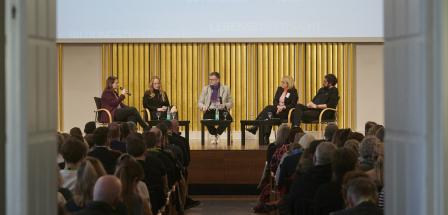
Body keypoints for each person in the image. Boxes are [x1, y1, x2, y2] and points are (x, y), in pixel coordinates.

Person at [246, 76, 298, 144]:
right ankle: (265, 137)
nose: (281, 83)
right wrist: (278, 107)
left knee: (268, 108)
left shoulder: (293, 92)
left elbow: (293, 105)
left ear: (288, 83)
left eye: (283, 82)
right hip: (276, 110)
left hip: (286, 112)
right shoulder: (280, 89)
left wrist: (283, 107)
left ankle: (256, 127)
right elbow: (275, 100)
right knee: (268, 114)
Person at [198, 72, 233, 142]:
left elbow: (231, 103)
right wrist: (203, 106)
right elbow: (200, 102)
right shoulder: (205, 88)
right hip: (210, 110)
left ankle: (217, 134)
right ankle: (215, 134)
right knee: (205, 120)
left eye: (213, 79)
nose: (210, 81)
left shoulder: (226, 89)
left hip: (221, 110)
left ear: (218, 80)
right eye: (210, 79)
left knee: (229, 119)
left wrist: (224, 105)